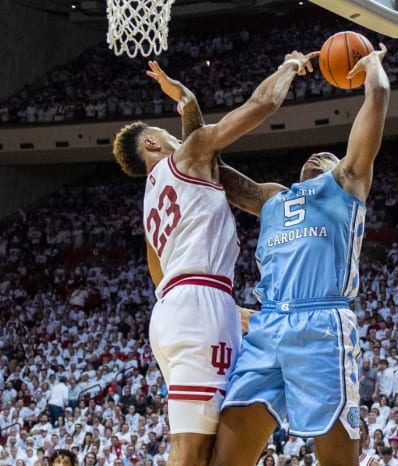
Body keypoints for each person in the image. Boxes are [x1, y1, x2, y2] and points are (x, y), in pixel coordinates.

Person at [112, 51, 318, 466]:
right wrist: (289, 66)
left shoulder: (153, 199)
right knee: (194, 453)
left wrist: (188, 102)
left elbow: (160, 279)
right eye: (165, 131)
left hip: (173, 310)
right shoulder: (187, 157)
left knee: (202, 448)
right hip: (200, 307)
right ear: (152, 143)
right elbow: (261, 105)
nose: (177, 135)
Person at [210, 44, 390, 466]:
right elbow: (210, 164)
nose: (318, 154)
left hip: (321, 324)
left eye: (329, 154)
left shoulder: (345, 184)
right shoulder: (274, 197)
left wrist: (373, 68)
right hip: (267, 324)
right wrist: (285, 69)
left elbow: (377, 100)